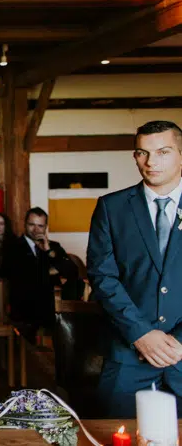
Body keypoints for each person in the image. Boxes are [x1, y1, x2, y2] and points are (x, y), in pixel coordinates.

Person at [88, 120, 182, 417]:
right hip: (129, 352)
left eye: (163, 151)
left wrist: (179, 341)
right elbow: (103, 277)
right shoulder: (111, 207)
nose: (151, 162)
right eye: (142, 153)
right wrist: (142, 334)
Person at [7, 207, 79, 343]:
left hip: (51, 302)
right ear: (25, 224)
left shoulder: (53, 246)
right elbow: (23, 275)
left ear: (45, 227)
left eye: (40, 226)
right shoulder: (13, 246)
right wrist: (52, 270)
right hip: (26, 303)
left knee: (75, 286)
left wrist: (49, 251)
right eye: (31, 225)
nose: (36, 230)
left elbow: (72, 271)